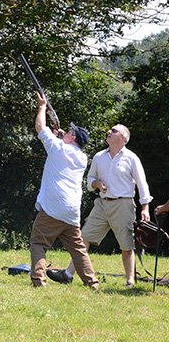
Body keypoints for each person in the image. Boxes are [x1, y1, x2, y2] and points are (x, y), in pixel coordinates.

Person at [47, 124, 152, 288]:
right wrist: (97, 184)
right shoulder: (99, 156)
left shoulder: (131, 158)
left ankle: (130, 281)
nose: (109, 132)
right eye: (110, 130)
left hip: (123, 204)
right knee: (83, 239)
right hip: (102, 204)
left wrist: (145, 207)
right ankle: (67, 275)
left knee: (126, 245)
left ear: (123, 139)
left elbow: (142, 184)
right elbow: (89, 181)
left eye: (114, 131)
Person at [30, 93, 99, 289]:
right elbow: (63, 147)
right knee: (78, 250)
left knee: (38, 243)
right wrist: (61, 138)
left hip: (53, 207)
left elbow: (40, 128)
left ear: (73, 137)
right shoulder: (82, 158)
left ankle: (38, 280)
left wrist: (42, 107)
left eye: (70, 132)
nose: (67, 131)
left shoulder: (59, 148)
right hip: (72, 210)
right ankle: (92, 283)